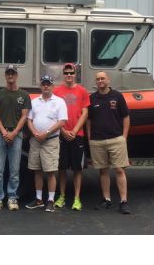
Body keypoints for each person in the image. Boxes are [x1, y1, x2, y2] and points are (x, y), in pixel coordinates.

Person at [88, 71, 131, 214]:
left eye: (102, 78)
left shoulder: (117, 96)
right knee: (103, 171)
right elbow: (89, 120)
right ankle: (106, 199)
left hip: (116, 139)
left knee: (119, 170)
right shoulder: (92, 98)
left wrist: (124, 136)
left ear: (108, 80)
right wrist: (90, 137)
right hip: (97, 140)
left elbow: (125, 116)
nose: (100, 81)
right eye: (97, 79)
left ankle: (123, 201)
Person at [0, 64, 31, 211]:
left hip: (16, 135)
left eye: (13, 73)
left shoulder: (24, 95)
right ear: (5, 75)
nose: (10, 76)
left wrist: (13, 133)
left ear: (16, 75)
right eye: (8, 73)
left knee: (14, 170)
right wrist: (4, 132)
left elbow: (24, 116)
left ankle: (12, 197)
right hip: (0, 134)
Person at [26, 75, 67, 213]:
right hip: (36, 140)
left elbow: (62, 121)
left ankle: (50, 200)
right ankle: (38, 199)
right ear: (40, 86)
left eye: (48, 84)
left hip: (51, 141)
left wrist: (46, 132)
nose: (45, 86)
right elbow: (29, 120)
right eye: (43, 83)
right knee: (37, 170)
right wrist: (35, 133)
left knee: (50, 171)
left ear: (52, 86)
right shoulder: (34, 101)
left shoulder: (59, 102)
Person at [52, 63, 90, 211]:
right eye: (66, 73)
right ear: (63, 74)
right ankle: (61, 197)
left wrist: (74, 130)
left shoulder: (82, 91)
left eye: (71, 73)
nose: (69, 75)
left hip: (77, 135)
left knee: (77, 169)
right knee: (61, 168)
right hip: (61, 135)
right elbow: (53, 113)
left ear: (75, 74)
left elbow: (85, 113)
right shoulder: (57, 91)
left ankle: (76, 198)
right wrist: (63, 131)